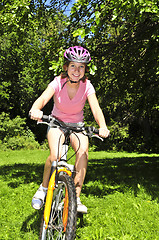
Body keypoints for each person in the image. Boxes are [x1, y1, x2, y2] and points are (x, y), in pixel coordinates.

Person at [29, 46, 110, 214]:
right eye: (73, 65)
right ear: (66, 67)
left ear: (85, 69)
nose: (77, 70)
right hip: (56, 123)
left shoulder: (87, 85)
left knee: (83, 151)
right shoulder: (58, 82)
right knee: (56, 155)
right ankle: (43, 189)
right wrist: (35, 109)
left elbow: (96, 109)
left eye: (81, 67)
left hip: (77, 126)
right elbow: (44, 98)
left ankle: (76, 197)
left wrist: (102, 126)